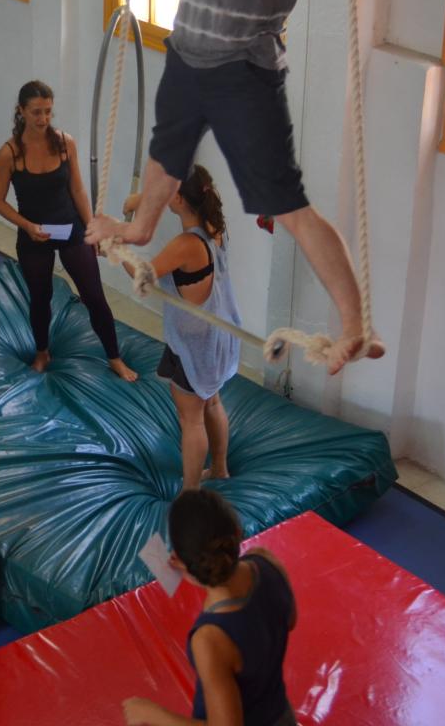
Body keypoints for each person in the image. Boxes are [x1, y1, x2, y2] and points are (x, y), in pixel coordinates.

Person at [86, 0, 385, 375]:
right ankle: (142, 227)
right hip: (187, 49)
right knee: (167, 153)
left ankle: (355, 324)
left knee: (288, 205)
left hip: (243, 69)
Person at [0, 81, 137, 382]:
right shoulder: (9, 154)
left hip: (70, 228)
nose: (43, 119)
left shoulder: (64, 143)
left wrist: (93, 227)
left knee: (94, 296)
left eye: (47, 112)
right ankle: (42, 352)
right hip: (34, 234)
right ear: (21, 111)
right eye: (35, 113)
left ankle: (115, 357)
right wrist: (26, 226)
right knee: (40, 296)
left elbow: (78, 189)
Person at [122, 489, 297, 726]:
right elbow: (290, 620)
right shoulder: (266, 561)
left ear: (179, 561)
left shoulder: (210, 639)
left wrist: (152, 715)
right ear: (236, 532)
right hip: (281, 715)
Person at [142, 167, 239, 490]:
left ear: (180, 199)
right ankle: (221, 468)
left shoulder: (185, 244)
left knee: (191, 418)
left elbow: (144, 275)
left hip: (195, 344)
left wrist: (112, 248)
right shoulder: (214, 226)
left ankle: (191, 492)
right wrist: (140, 201)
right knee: (212, 401)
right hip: (219, 336)